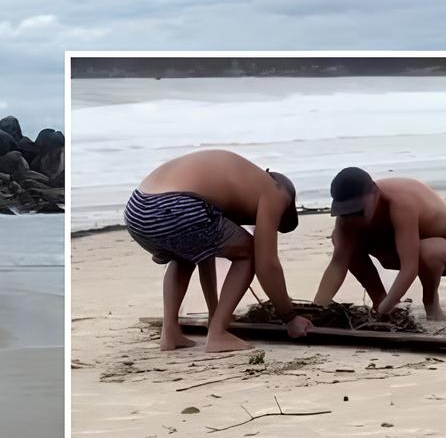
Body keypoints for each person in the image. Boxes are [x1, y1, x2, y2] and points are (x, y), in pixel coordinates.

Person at [123, 149, 312, 352]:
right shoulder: (275, 190)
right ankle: (218, 335)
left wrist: (215, 313)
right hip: (176, 206)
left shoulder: (234, 182)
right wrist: (289, 318)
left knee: (184, 255)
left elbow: (206, 256)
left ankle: (170, 333)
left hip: (136, 210)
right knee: (249, 252)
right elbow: (267, 264)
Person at [313, 167, 446, 321]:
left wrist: (384, 310)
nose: (353, 218)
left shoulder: (401, 202)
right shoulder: (346, 217)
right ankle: (379, 299)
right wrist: (318, 307)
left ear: (375, 194)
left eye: (359, 211)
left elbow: (410, 267)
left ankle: (431, 303)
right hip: (394, 246)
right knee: (339, 238)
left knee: (428, 251)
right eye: (346, 212)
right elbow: (338, 263)